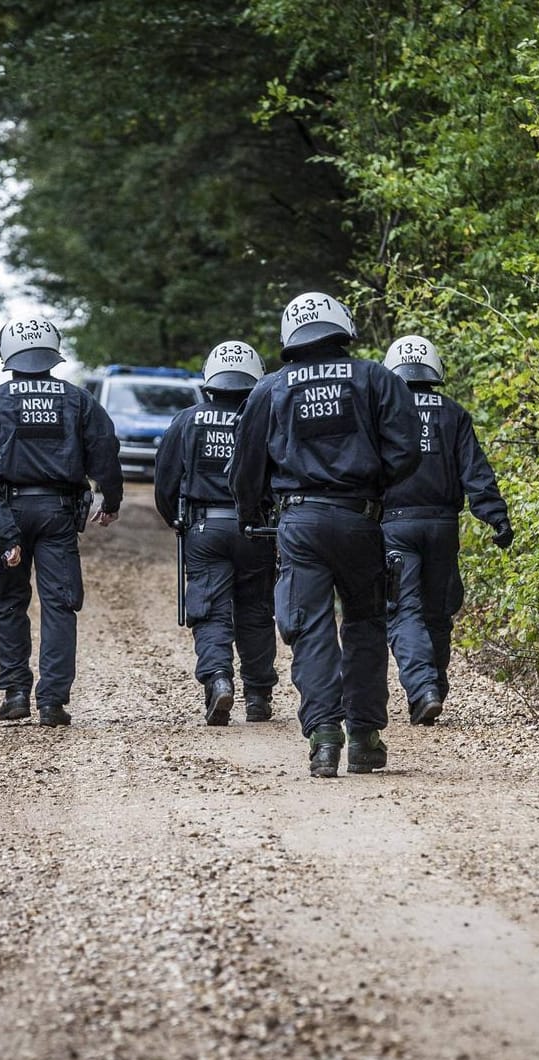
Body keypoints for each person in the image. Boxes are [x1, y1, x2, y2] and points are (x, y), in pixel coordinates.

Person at [229, 292, 421, 777]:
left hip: (299, 522)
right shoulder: (377, 377)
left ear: (290, 338)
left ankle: (323, 736)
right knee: (365, 624)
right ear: (343, 329)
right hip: (361, 520)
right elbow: (408, 451)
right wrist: (374, 489)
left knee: (310, 627)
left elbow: (246, 465)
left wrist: (252, 512)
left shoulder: (270, 388)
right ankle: (365, 738)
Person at [0, 317, 121, 728]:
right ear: (53, 351)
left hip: (5, 512)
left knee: (9, 601)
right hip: (58, 514)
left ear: (6, 353)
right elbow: (105, 450)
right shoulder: (78, 400)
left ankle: (14, 693)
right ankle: (53, 701)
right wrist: (111, 500)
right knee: (60, 605)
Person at [379, 335, 512, 725]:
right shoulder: (453, 413)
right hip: (442, 526)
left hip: (395, 526)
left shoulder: (382, 412)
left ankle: (423, 689)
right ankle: (433, 685)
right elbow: (476, 471)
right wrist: (496, 517)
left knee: (405, 611)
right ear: (434, 368)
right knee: (437, 613)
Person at [153, 340, 278, 725]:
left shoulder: (187, 420)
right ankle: (258, 696)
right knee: (255, 611)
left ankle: (218, 681)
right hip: (256, 527)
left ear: (210, 379)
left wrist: (176, 520)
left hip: (204, 527)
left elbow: (165, 481)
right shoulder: (265, 418)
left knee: (210, 612)